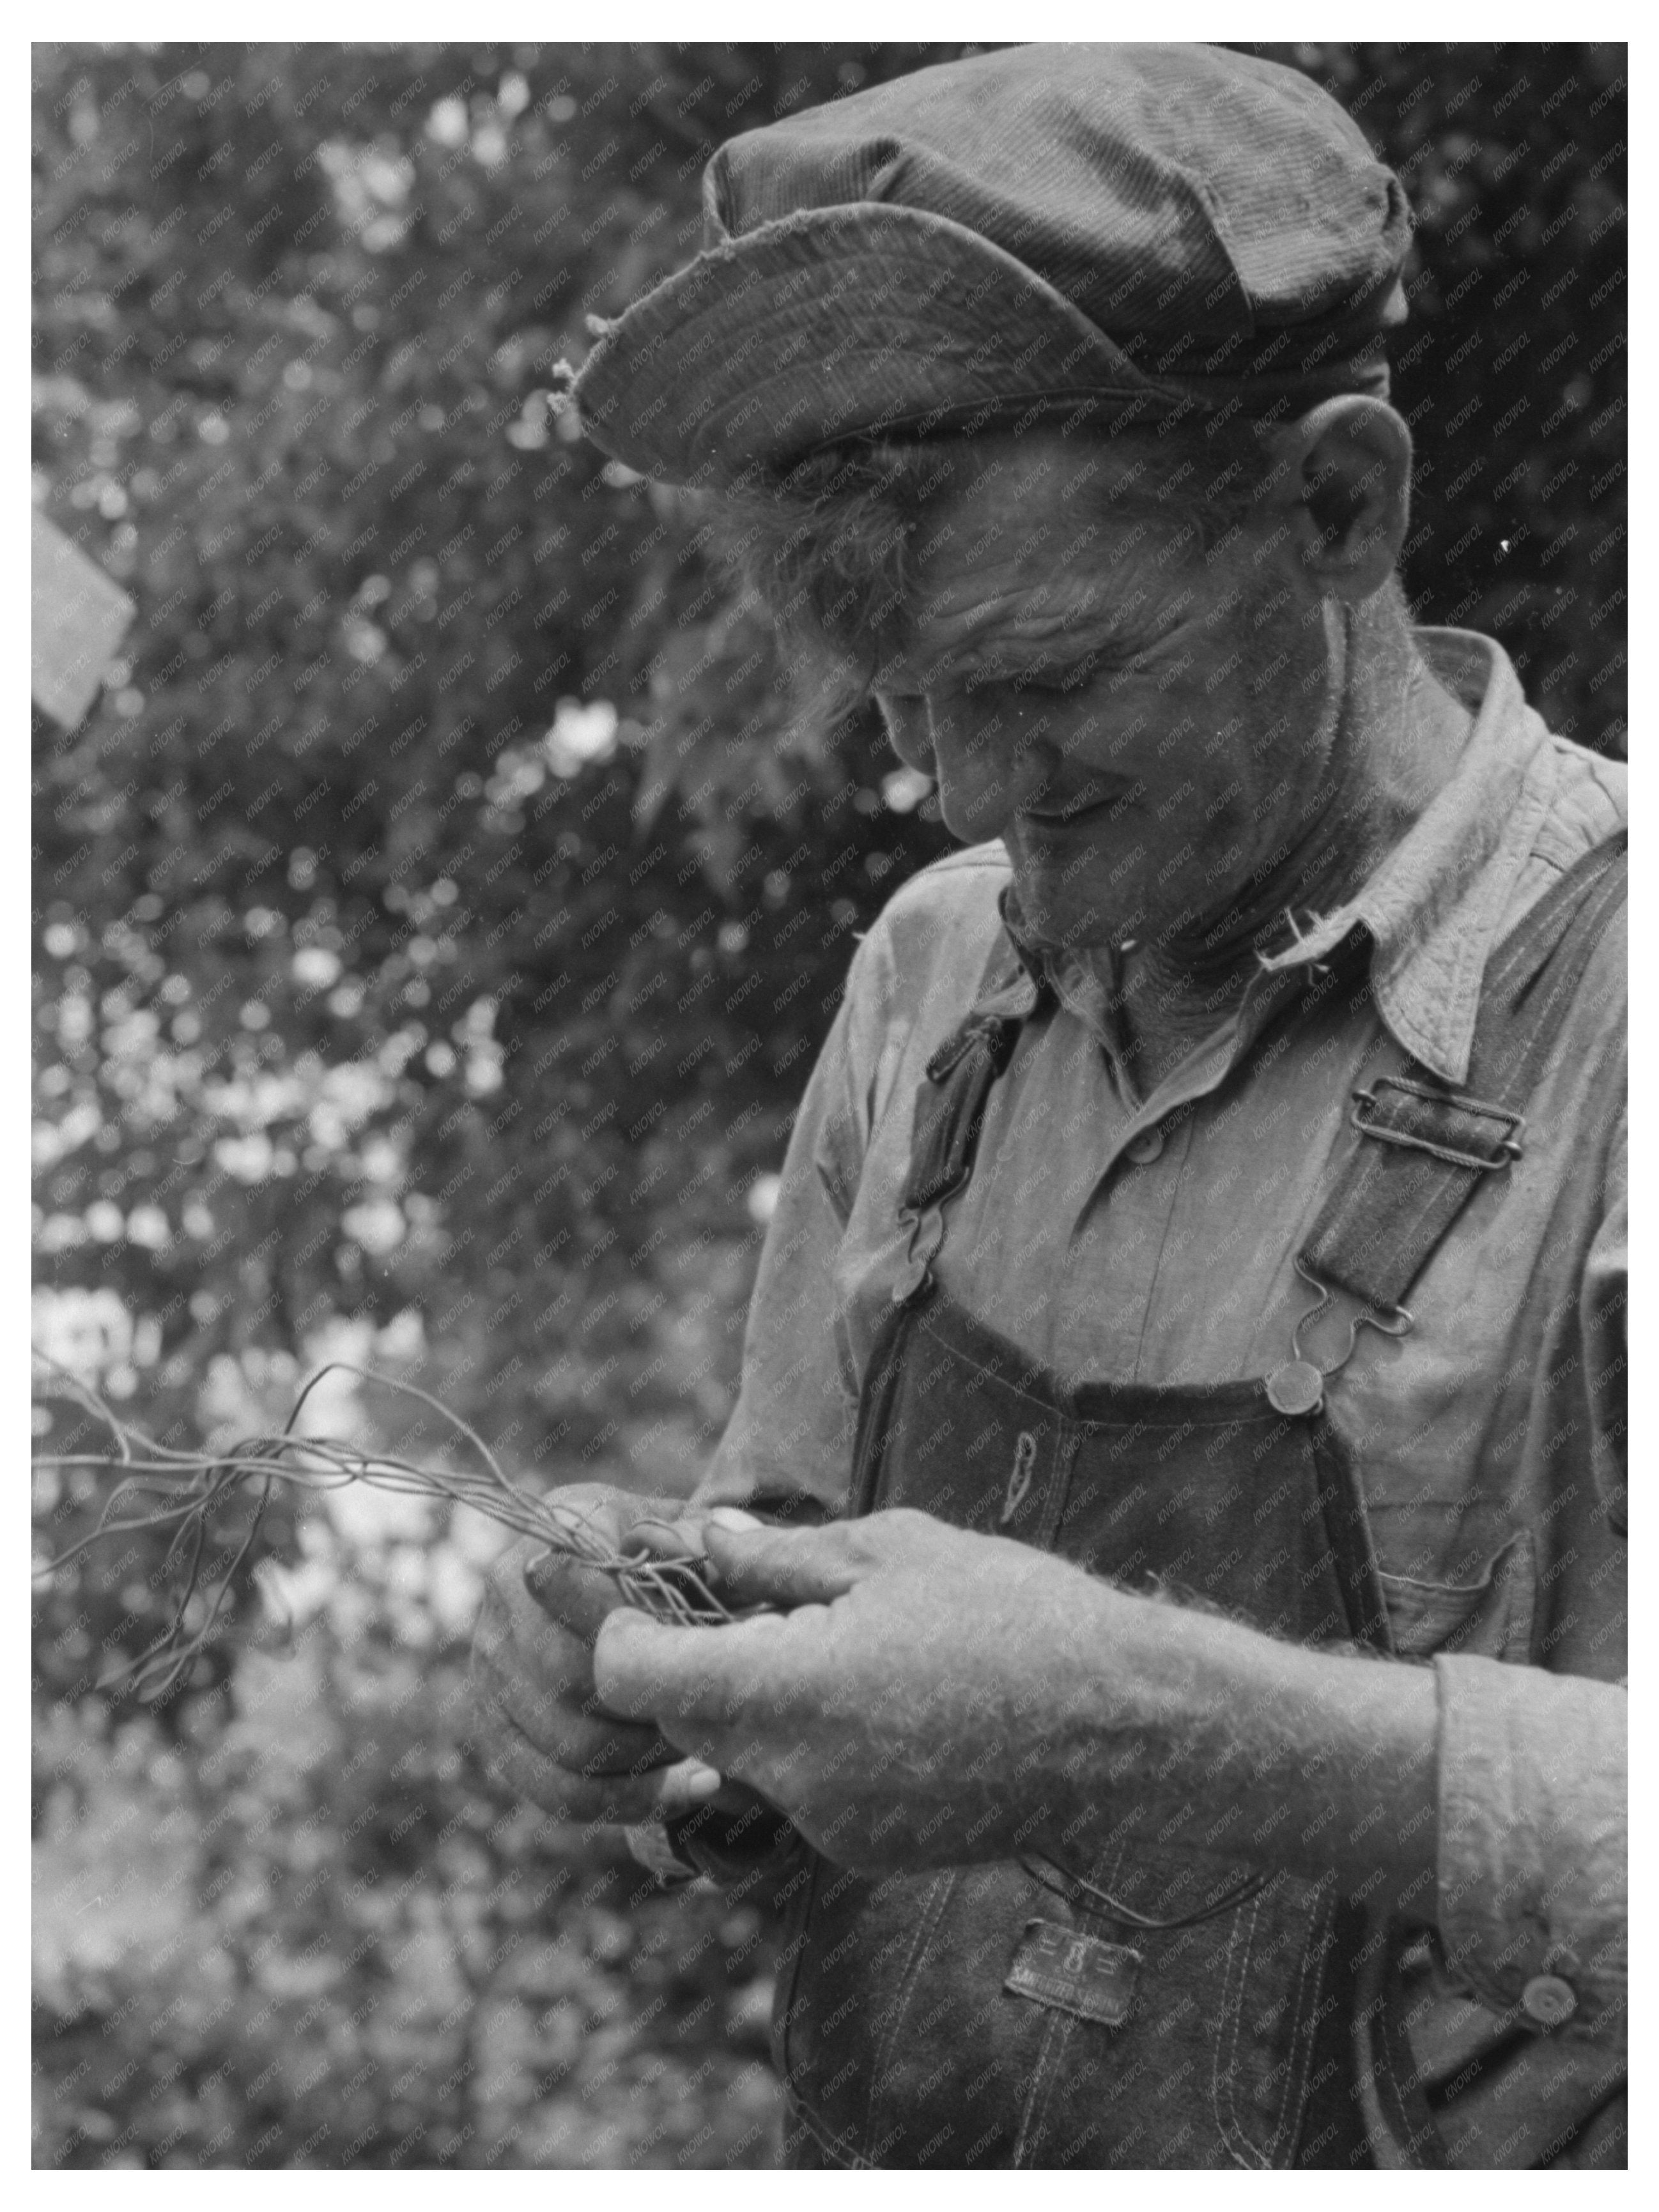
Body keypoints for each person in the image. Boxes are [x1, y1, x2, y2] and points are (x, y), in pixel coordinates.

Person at [470, 45, 1625, 2169]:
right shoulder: (929, 976)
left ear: (1333, 505)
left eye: (1045, 679)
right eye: (904, 708)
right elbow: (798, 1567)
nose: (971, 800)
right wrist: (674, 1677)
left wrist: (1135, 1732)